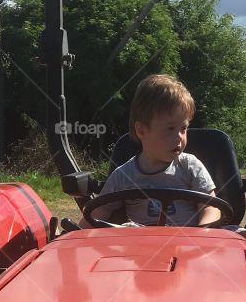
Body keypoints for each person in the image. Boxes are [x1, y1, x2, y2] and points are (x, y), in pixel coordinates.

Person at [82, 73, 217, 227]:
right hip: (142, 245)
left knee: (235, 233)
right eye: (170, 128)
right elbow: (98, 212)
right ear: (142, 131)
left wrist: (204, 232)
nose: (180, 136)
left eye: (183, 128)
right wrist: (74, 237)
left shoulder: (190, 167)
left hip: (188, 244)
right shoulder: (124, 176)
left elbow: (210, 207)